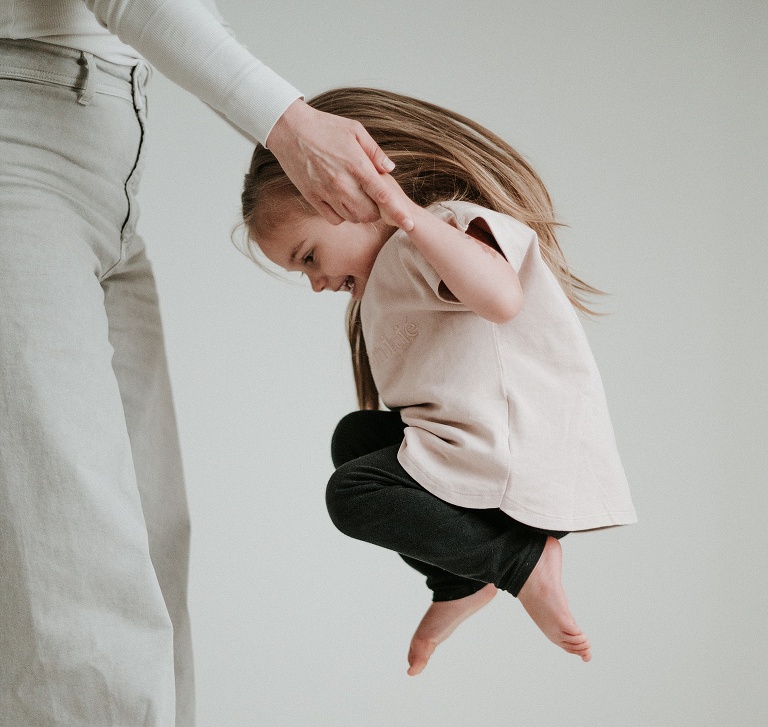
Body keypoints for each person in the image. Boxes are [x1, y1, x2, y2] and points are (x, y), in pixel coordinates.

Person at [0, 5, 412, 727]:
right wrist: (280, 115)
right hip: (19, 127)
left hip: (104, 145)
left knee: (149, 533)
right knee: (75, 550)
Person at [241, 87, 637, 676]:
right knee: (356, 441)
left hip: (516, 459)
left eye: (307, 256)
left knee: (352, 494)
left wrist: (402, 211)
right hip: (479, 458)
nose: (317, 282)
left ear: (356, 193)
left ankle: (519, 561)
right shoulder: (401, 262)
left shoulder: (435, 231)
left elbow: (503, 297)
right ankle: (459, 579)